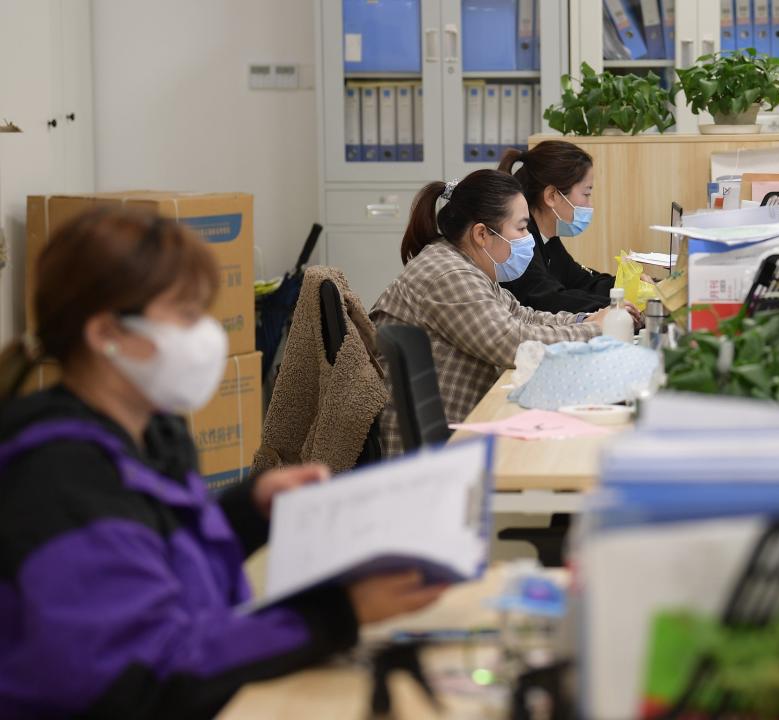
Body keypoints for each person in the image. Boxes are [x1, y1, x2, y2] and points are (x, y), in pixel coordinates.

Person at [0, 208, 445, 719]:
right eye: (186, 316)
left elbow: (167, 575)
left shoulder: (151, 434)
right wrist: (338, 615)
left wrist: (248, 513)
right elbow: (147, 676)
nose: (207, 334)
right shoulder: (58, 476)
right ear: (106, 333)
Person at [371, 169, 608, 457]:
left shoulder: (468, 265)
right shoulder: (449, 274)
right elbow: (511, 343)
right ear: (482, 233)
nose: (527, 239)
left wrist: (585, 320)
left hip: (458, 427)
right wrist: (597, 330)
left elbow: (523, 316)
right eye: (521, 229)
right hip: (438, 449)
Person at [498, 140, 617, 313]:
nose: (590, 206)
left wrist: (629, 285)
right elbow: (549, 300)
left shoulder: (548, 239)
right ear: (552, 195)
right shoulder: (519, 243)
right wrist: (618, 307)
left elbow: (581, 280)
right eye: (586, 193)